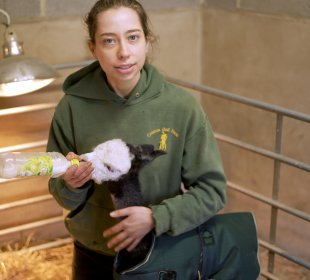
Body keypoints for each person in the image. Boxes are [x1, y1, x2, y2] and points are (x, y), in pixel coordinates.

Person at [47, 0, 228, 279]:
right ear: (92, 48)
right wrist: (71, 184)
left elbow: (212, 191)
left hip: (162, 252)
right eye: (109, 41)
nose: (124, 52)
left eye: (133, 37)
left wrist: (157, 217)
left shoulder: (182, 108)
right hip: (93, 255)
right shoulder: (72, 108)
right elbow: (62, 194)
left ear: (147, 41)